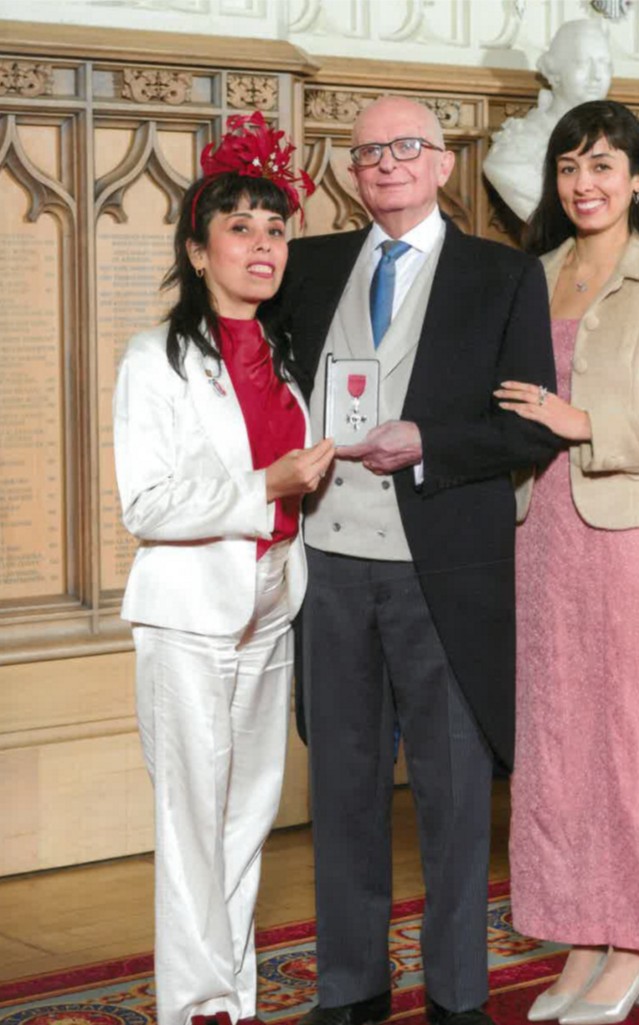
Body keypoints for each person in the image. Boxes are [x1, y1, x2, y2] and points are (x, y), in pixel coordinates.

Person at [278, 95, 561, 1025]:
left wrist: (429, 440)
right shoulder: (308, 267)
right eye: (367, 154)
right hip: (329, 564)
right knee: (344, 786)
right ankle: (350, 988)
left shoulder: (503, 276)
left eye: (407, 148)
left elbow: (528, 428)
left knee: (449, 789)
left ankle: (456, 996)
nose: (387, 164)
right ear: (351, 175)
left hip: (442, 568)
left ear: (444, 163)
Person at [495, 99, 639, 1024]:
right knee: (556, 747)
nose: (584, 184)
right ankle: (580, 937)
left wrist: (587, 424)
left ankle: (637, 946)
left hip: (634, 542)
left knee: (636, 746)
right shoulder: (532, 276)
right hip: (541, 531)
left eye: (603, 166)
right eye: (568, 168)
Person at [113, 113, 335, 1025]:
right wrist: (265, 485)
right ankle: (194, 1004)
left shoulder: (290, 357)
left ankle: (231, 1000)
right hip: (189, 619)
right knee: (192, 825)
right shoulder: (154, 360)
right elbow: (148, 505)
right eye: (239, 227)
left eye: (275, 228)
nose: (262, 244)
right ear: (199, 250)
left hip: (272, 606)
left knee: (249, 818)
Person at [483, 19, 613, 221]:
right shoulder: (515, 149)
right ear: (555, 72)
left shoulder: (620, 138)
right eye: (583, 63)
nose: (596, 76)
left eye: (604, 64)